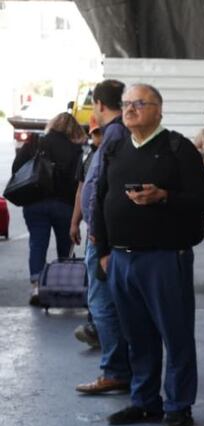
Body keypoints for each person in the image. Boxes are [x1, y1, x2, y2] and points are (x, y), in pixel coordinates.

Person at [93, 83, 204, 426]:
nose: (129, 109)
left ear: (158, 109)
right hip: (121, 260)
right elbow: (101, 200)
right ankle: (145, 402)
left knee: (175, 336)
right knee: (137, 336)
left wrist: (163, 196)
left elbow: (202, 203)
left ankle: (178, 405)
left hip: (164, 258)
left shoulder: (178, 148)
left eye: (139, 104)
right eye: (126, 104)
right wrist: (102, 251)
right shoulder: (115, 148)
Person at [70, 79, 133, 396]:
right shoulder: (115, 135)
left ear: (98, 104)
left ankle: (116, 370)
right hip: (104, 234)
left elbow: (104, 189)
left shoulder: (115, 135)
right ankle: (122, 367)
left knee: (103, 303)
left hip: (104, 238)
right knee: (110, 302)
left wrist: (98, 236)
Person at [12, 112, 86, 305]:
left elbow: (16, 168)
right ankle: (63, 284)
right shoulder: (75, 149)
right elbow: (78, 181)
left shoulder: (35, 142)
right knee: (65, 244)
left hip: (35, 202)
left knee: (37, 243)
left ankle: (37, 286)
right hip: (64, 204)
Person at [72, 118, 104, 350]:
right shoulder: (89, 158)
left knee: (102, 285)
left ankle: (101, 329)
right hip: (94, 231)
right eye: (94, 134)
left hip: (107, 233)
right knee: (96, 283)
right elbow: (81, 191)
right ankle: (97, 327)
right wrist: (75, 222)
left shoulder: (116, 155)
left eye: (100, 133)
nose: (97, 138)